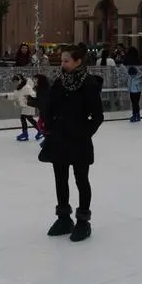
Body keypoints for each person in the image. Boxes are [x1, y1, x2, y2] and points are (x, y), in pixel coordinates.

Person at [38, 44, 104, 242]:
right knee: (60, 179)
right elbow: (51, 105)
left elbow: (98, 116)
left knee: (81, 180)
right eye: (62, 60)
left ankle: (83, 220)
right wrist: (48, 122)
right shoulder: (60, 81)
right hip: (59, 139)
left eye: (67, 61)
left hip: (79, 142)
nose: (63, 64)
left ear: (78, 61)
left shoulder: (89, 84)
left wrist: (84, 133)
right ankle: (64, 218)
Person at [9, 74, 41, 141]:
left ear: (19, 80)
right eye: (14, 82)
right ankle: (32, 132)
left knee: (24, 117)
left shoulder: (26, 87)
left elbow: (33, 94)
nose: (15, 83)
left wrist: (30, 97)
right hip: (26, 105)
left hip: (29, 105)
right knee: (28, 118)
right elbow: (15, 95)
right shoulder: (19, 87)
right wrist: (8, 96)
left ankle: (26, 133)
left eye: (15, 81)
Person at [122, 47, 142, 123]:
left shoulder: (127, 60)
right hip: (138, 85)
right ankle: (137, 114)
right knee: (136, 101)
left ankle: (135, 115)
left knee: (134, 101)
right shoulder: (138, 61)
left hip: (132, 84)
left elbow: (125, 71)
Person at [27, 74, 50, 141]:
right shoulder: (41, 89)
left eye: (36, 80)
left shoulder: (44, 90)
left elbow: (41, 103)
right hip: (44, 112)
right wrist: (30, 98)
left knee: (44, 127)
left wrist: (29, 102)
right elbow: (39, 100)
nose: (34, 82)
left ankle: (48, 141)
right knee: (40, 124)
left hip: (47, 113)